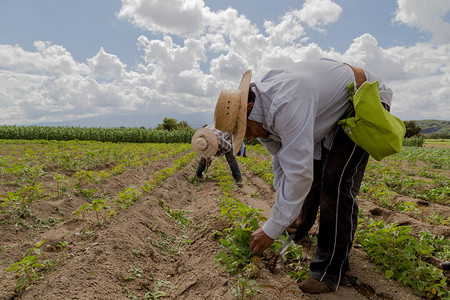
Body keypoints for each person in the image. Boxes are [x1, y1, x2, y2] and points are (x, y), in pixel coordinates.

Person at [213, 58, 393, 293]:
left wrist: (272, 228)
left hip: (363, 99)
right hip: (327, 112)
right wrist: (286, 213)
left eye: (243, 129)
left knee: (335, 183)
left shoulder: (287, 103)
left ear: (248, 108)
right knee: (315, 177)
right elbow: (281, 163)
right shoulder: (261, 116)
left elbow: (299, 174)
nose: (245, 137)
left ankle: (329, 273)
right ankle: (299, 228)